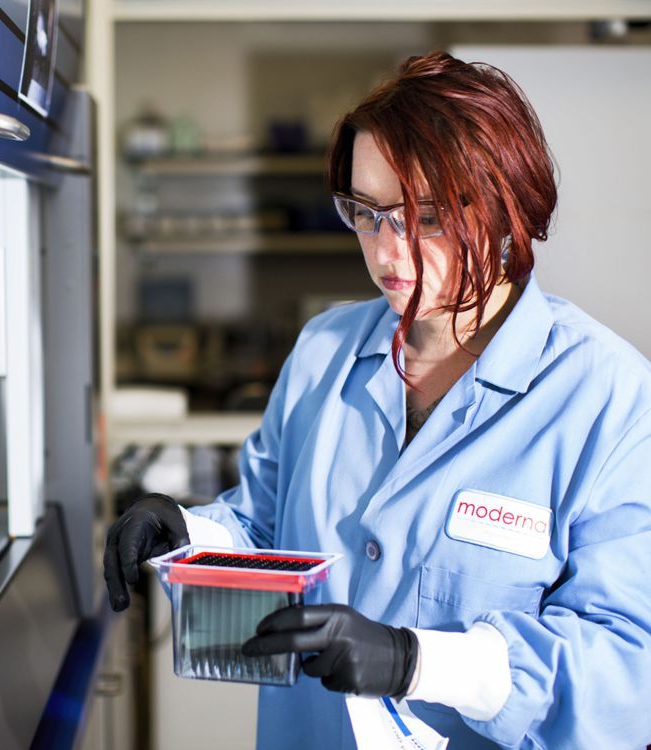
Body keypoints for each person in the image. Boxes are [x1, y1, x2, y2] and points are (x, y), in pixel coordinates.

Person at [103, 51, 651, 749]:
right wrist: (192, 537)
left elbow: (629, 671)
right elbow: (267, 529)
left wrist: (414, 661)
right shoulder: (325, 350)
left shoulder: (608, 399)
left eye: (425, 217)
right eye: (365, 213)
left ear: (509, 205)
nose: (388, 252)